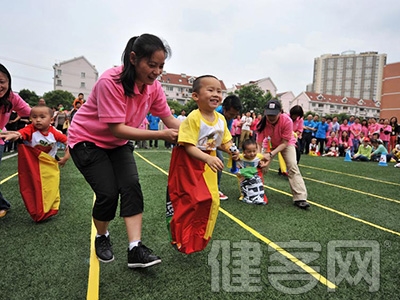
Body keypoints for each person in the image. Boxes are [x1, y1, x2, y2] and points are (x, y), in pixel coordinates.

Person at [67, 34, 180, 268]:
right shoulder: (111, 81)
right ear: (133, 59)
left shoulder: (153, 88)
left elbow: (169, 119)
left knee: (131, 186)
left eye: (161, 66)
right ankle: (102, 236)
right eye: (152, 65)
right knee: (108, 193)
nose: (157, 71)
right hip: (87, 140)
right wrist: (160, 135)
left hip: (118, 144)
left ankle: (135, 248)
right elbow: (117, 129)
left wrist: (202, 135)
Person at [166, 75, 237, 254]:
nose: (216, 94)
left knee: (211, 200)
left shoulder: (220, 119)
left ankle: (199, 237)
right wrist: (208, 158)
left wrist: (231, 149)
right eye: (210, 90)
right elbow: (189, 146)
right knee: (189, 200)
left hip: (207, 164)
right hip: (189, 164)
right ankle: (180, 237)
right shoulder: (193, 118)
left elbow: (223, 141)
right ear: (196, 96)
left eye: (219, 91)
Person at [256, 99, 310, 209]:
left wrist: (270, 154)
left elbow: (285, 143)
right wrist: (258, 156)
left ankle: (300, 198)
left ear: (280, 112)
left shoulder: (287, 121)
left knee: (292, 166)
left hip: (286, 144)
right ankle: (255, 191)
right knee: (259, 166)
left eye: (274, 115)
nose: (271, 118)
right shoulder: (263, 122)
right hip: (270, 143)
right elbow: (259, 142)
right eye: (269, 115)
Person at [0, 64, 31, 218]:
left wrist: (46, 123)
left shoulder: (12, 97)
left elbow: (30, 113)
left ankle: (1, 205)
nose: (0, 86)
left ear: (8, 82)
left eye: (1, 81)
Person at [4, 106, 70, 166]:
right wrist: (14, 135)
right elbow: (20, 133)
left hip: (49, 165)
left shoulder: (55, 133)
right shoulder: (30, 129)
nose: (38, 120)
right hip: (32, 165)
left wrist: (65, 158)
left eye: (42, 117)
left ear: (51, 120)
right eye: (34, 117)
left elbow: (69, 144)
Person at [215, 94, 242, 200]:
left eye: (235, 115)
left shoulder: (228, 117)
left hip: (214, 140)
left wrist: (232, 148)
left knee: (219, 160)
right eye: (231, 114)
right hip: (202, 141)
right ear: (224, 109)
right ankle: (214, 189)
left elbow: (227, 137)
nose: (232, 117)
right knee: (218, 160)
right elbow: (213, 142)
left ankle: (215, 187)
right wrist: (228, 149)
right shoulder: (216, 114)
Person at [236, 139, 267, 205]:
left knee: (258, 182)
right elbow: (234, 158)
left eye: (254, 151)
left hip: (254, 172)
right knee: (242, 184)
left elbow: (266, 159)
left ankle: (260, 195)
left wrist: (263, 163)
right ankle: (243, 195)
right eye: (249, 152)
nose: (252, 153)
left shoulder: (259, 156)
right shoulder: (241, 157)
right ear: (244, 152)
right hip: (244, 173)